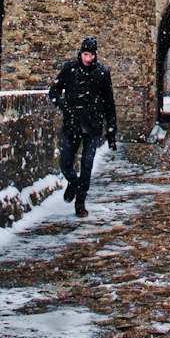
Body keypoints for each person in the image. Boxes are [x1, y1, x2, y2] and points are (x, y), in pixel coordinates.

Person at [48, 35, 116, 217]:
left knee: (87, 164)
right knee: (65, 162)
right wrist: (64, 105)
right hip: (72, 124)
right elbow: (53, 92)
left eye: (91, 55)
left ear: (95, 55)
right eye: (85, 54)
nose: (88, 59)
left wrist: (111, 129)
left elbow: (109, 102)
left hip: (93, 126)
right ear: (80, 53)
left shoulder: (102, 73)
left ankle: (80, 202)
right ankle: (72, 181)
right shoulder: (69, 69)